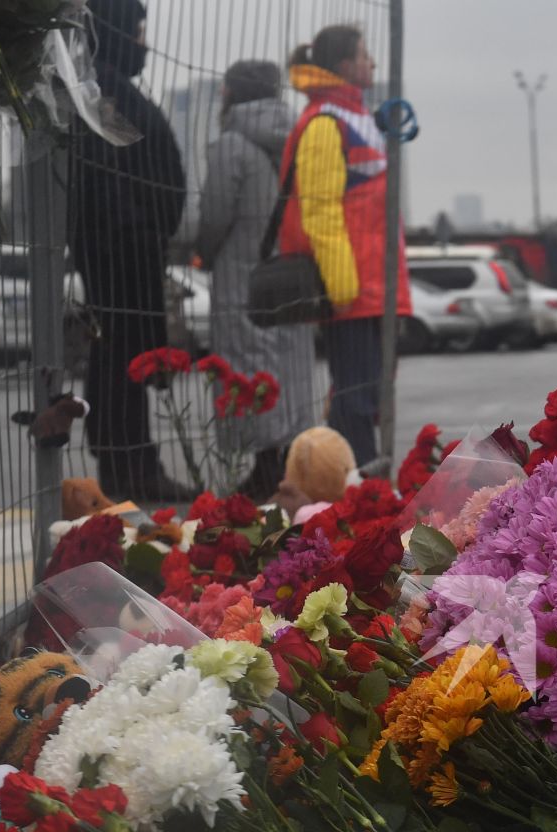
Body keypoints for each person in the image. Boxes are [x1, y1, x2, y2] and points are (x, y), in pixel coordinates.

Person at [69, 0, 191, 504]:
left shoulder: (111, 87)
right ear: (117, 30)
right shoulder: (99, 91)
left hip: (133, 245)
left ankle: (132, 460)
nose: (145, 42)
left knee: (128, 352)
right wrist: (137, 230)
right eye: (138, 30)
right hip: (122, 248)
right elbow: (108, 175)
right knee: (122, 352)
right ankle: (128, 464)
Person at [278, 25, 410, 469]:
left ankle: (340, 485)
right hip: (353, 289)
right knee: (355, 397)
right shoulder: (324, 122)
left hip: (373, 286)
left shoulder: (357, 118)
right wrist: (342, 287)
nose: (372, 62)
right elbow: (318, 208)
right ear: (344, 66)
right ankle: (362, 492)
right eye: (364, 54)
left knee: (363, 394)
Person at [194, 60, 316, 500]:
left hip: (244, 275)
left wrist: (203, 253)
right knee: (291, 365)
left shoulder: (231, 143)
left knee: (249, 366)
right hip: (291, 272)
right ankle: (292, 462)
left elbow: (215, 215)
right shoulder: (301, 137)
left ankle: (264, 467)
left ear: (232, 93)